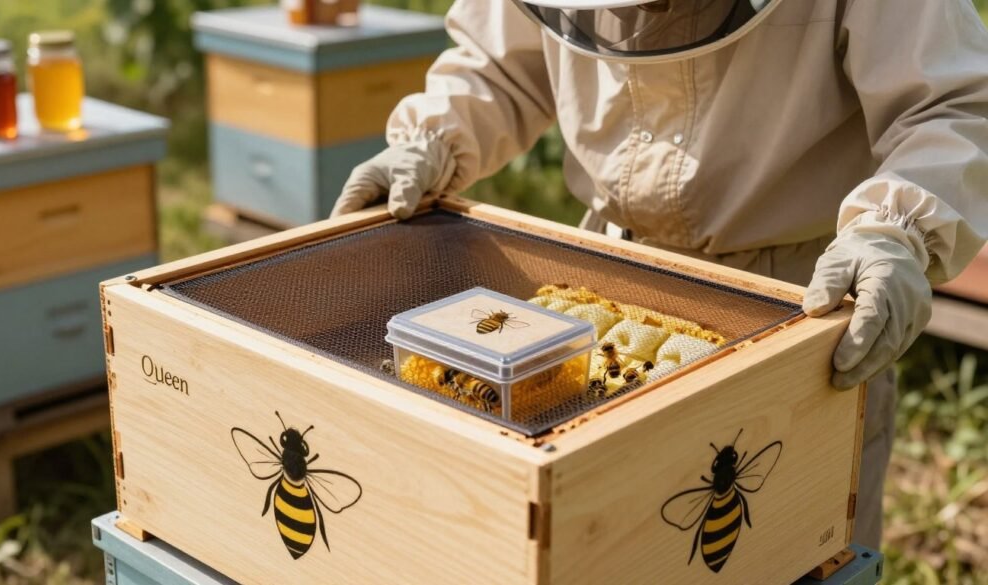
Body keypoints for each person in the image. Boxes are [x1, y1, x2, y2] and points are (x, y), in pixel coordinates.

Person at [331, 0, 988, 547]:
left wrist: (896, 228)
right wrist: (432, 139)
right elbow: (502, 65)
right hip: (608, 281)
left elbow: (952, 104)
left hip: (803, 295)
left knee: (794, 544)